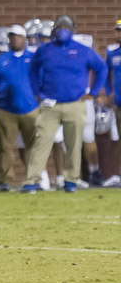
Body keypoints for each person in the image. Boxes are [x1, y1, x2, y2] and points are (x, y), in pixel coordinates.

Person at [22, 15, 106, 193]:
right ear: (54, 31)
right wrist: (36, 92)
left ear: (73, 30)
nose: (62, 31)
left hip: (75, 104)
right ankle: (32, 179)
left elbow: (102, 68)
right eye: (59, 27)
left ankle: (71, 180)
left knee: (74, 144)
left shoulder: (83, 50)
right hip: (50, 104)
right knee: (41, 142)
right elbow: (32, 70)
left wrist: (93, 92)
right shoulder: (45, 50)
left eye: (66, 28)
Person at [0, 24, 37, 190]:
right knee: (5, 147)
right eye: (12, 36)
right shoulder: (0, 61)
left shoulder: (33, 59)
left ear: (25, 39)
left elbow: (42, 81)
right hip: (6, 109)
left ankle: (33, 179)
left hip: (30, 108)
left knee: (33, 146)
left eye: (18, 36)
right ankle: (5, 181)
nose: (15, 39)